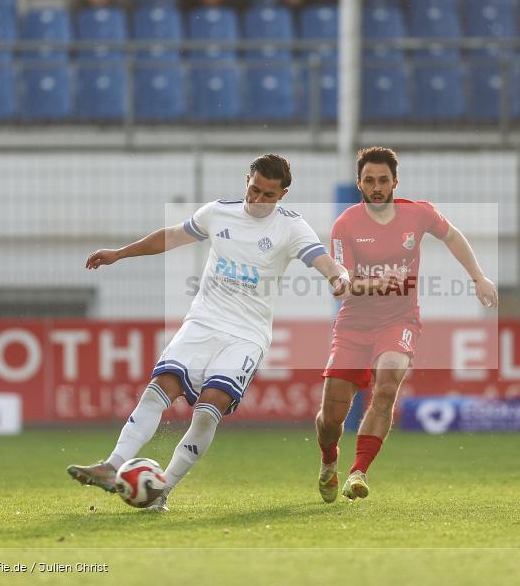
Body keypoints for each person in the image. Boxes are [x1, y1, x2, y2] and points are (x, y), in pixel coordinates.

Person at [68, 154, 350, 512]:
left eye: (268, 195)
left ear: (283, 195)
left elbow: (324, 261)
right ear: (246, 180)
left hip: (246, 336)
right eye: (254, 189)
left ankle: (162, 490)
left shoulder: (292, 227)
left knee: (207, 409)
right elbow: (171, 236)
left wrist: (339, 277)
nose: (257, 199)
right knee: (158, 390)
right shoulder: (218, 212)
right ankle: (112, 466)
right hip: (202, 322)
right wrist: (119, 254)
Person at [315, 146, 499, 502]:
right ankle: (328, 459)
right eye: (369, 180)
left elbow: (452, 236)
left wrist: (478, 277)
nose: (377, 187)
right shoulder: (346, 224)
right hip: (353, 325)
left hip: (399, 321)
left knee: (386, 387)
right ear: (359, 183)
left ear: (395, 182)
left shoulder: (419, 213)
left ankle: (358, 472)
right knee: (332, 418)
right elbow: (342, 284)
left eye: (383, 180)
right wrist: (374, 284)